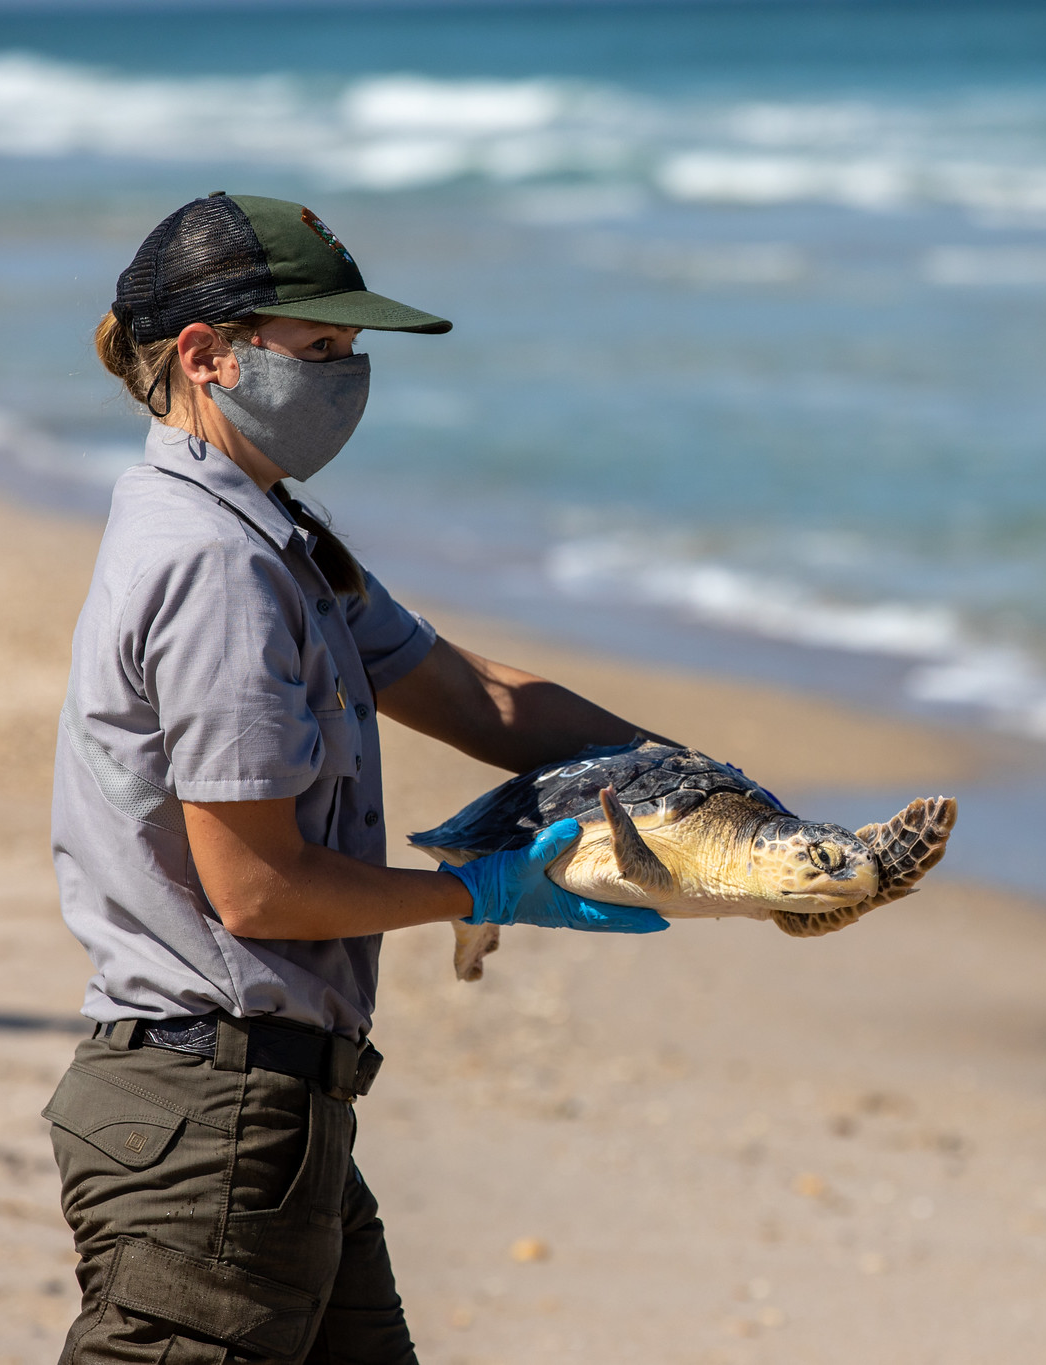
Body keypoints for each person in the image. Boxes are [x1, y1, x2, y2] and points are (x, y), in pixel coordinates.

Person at [46, 192, 670, 1365]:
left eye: (352, 351)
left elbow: (465, 691)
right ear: (205, 356)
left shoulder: (274, 531)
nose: (347, 376)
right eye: (318, 348)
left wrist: (672, 777)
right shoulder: (213, 564)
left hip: (273, 1123)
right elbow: (261, 892)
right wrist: (482, 891)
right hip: (211, 1131)